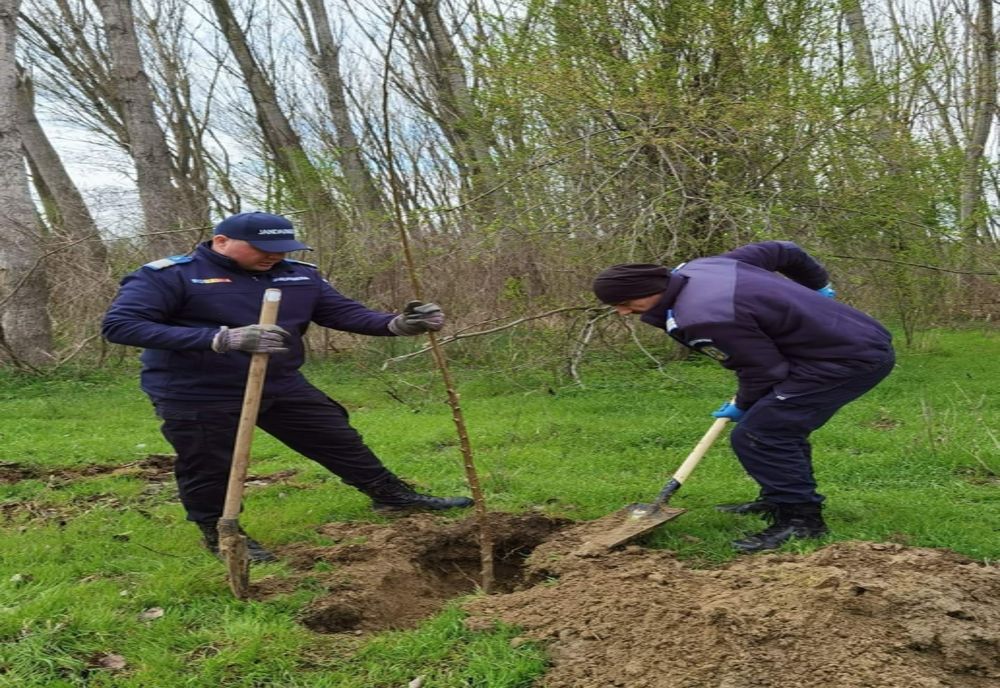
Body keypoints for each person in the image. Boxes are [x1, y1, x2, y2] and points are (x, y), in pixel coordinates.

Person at [103, 211, 473, 562]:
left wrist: (396, 324)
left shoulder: (299, 275)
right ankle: (221, 532)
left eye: (283, 249)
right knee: (209, 463)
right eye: (263, 249)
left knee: (335, 436)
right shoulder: (169, 276)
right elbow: (121, 325)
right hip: (197, 389)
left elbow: (342, 313)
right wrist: (220, 338)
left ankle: (392, 496)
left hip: (278, 381)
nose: (274, 256)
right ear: (222, 241)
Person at [592, 241, 894, 553]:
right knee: (773, 426)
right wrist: (817, 285)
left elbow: (765, 371)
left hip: (847, 360)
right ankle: (778, 500)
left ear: (651, 288)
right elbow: (783, 250)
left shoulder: (704, 317)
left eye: (626, 302)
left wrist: (744, 404)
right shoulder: (706, 267)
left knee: (762, 434)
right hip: (836, 343)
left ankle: (802, 521)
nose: (623, 311)